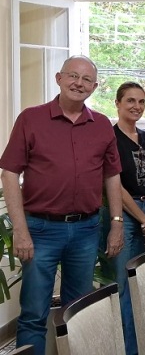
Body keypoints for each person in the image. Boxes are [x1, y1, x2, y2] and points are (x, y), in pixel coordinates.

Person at [0, 55, 124, 354]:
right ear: (59, 78)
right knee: (33, 313)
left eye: (86, 80)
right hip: (40, 230)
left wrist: (117, 224)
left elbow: (112, 177)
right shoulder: (31, 118)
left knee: (79, 311)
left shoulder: (103, 125)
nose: (78, 84)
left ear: (94, 87)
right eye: (73, 76)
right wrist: (20, 230)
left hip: (85, 230)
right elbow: (9, 172)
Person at [100, 81, 145, 355]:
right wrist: (141, 218)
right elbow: (113, 185)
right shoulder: (109, 138)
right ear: (117, 103)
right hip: (122, 216)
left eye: (141, 101)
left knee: (143, 284)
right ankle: (127, 350)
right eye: (130, 101)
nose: (136, 106)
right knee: (122, 285)